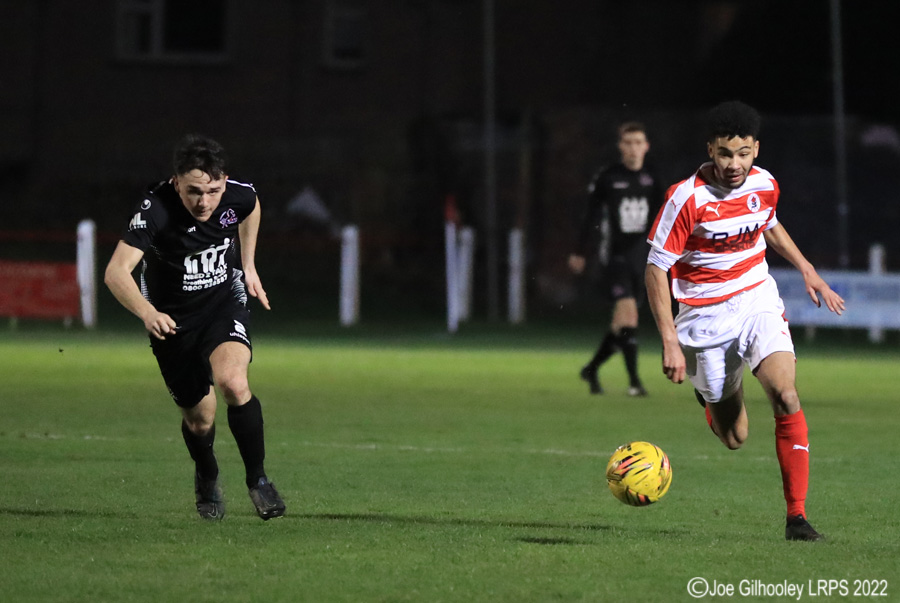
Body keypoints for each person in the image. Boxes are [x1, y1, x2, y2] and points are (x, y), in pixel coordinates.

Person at [645, 101, 845, 541]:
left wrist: (808, 269)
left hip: (756, 300)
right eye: (724, 154)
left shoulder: (765, 183)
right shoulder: (686, 199)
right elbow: (655, 269)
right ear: (710, 150)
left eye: (743, 153)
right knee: (734, 437)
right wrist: (669, 341)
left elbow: (769, 225)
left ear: (756, 149)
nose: (734, 164)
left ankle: (797, 517)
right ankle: (714, 399)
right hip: (702, 318)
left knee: (786, 395)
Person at [104, 134, 286, 521]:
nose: (204, 202)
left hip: (223, 303)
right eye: (194, 192)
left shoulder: (236, 195)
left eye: (213, 191)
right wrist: (147, 313)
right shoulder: (156, 208)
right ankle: (207, 473)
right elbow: (116, 272)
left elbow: (251, 207)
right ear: (176, 182)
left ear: (224, 181)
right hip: (172, 321)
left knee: (234, 383)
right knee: (200, 419)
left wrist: (249, 265)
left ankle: (259, 481)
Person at [569, 122, 662, 396]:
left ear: (646, 147)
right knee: (629, 315)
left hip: (640, 259)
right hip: (614, 257)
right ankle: (635, 383)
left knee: (620, 325)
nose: (633, 148)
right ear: (621, 146)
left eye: (638, 142)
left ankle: (592, 369)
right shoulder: (608, 177)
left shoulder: (652, 179)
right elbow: (590, 216)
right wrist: (579, 251)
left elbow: (664, 217)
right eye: (628, 142)